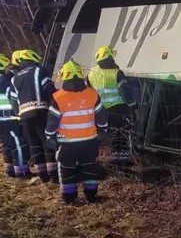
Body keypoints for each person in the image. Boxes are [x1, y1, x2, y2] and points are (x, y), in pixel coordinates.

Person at [45, 60, 108, 204]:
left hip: (67, 143)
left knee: (66, 169)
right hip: (89, 141)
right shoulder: (93, 94)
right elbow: (101, 117)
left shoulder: (58, 97)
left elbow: (52, 122)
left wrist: (49, 136)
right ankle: (92, 196)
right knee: (90, 167)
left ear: (63, 77)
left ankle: (69, 198)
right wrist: (103, 131)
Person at [8, 49, 57, 183]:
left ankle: (42, 175)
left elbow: (12, 100)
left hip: (24, 116)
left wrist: (19, 113)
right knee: (46, 142)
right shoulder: (39, 71)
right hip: (41, 111)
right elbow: (49, 90)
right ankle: (53, 174)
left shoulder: (14, 78)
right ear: (34, 59)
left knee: (34, 144)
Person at [87, 46, 135, 161]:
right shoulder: (117, 73)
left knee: (106, 135)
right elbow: (125, 91)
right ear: (110, 58)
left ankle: (100, 159)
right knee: (122, 134)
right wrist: (132, 105)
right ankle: (122, 162)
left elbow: (88, 92)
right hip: (119, 109)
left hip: (100, 110)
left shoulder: (91, 74)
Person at [0, 53, 28, 177]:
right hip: (9, 117)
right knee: (18, 144)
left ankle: (9, 169)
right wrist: (18, 113)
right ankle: (21, 171)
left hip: (1, 118)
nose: (8, 69)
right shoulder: (6, 81)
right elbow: (12, 98)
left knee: (6, 143)